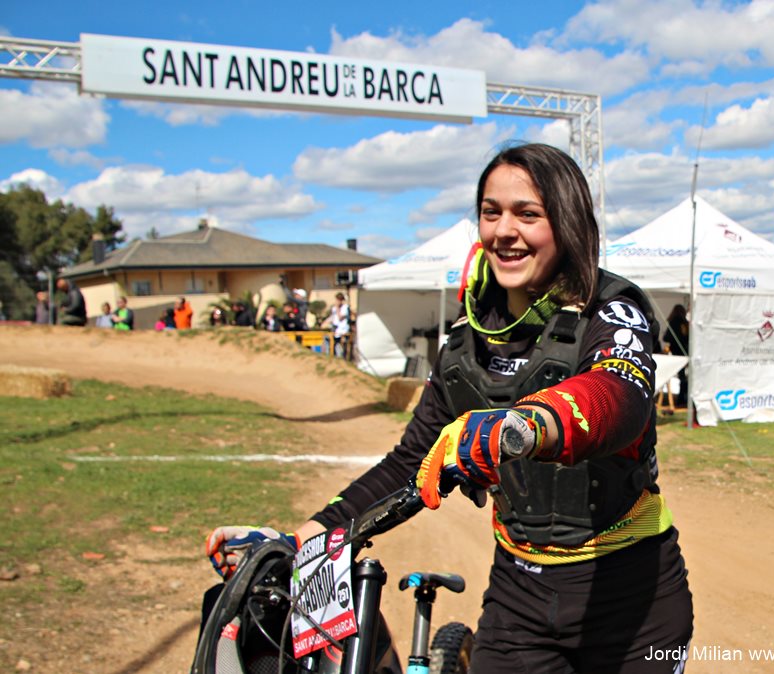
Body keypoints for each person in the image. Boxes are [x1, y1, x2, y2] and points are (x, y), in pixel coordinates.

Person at [206, 143, 693, 673]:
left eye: (528, 214)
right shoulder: (466, 342)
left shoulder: (611, 308)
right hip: (519, 597)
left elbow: (619, 396)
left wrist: (525, 425)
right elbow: (409, 464)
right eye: (491, 212)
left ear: (568, 222)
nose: (504, 231)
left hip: (633, 597)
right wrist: (297, 539)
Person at [663, 304, 689, 406]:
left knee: (682, 376)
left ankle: (681, 399)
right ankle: (683, 398)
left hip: (676, 353)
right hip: (685, 352)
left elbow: (666, 338)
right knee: (684, 377)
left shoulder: (673, 322)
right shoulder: (685, 323)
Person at [321, 292, 352, 357]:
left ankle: (340, 357)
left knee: (340, 347)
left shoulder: (345, 308)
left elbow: (340, 318)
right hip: (335, 329)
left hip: (343, 330)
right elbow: (333, 317)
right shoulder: (334, 308)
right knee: (327, 340)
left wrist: (337, 308)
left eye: (339, 300)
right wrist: (325, 322)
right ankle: (329, 356)